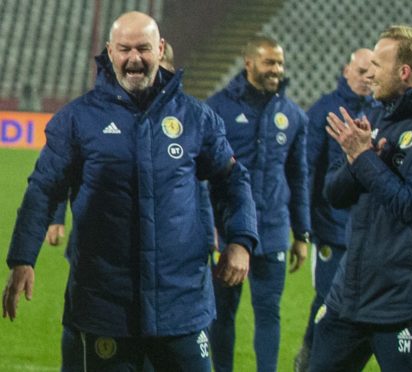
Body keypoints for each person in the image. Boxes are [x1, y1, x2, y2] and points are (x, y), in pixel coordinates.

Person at [2, 11, 259, 372]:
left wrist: (241, 240)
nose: (134, 59)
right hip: (105, 305)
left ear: (161, 49)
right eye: (124, 49)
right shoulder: (78, 119)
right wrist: (22, 259)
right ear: (109, 51)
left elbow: (233, 178)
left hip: (181, 302)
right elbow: (43, 189)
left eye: (143, 48)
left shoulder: (195, 118)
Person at [309, 25, 412, 371]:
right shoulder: (381, 115)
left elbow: (409, 204)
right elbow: (334, 195)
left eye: (377, 66)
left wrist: (365, 158)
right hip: (350, 298)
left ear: (404, 72)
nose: (369, 73)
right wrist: (359, 158)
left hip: (405, 304)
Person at [206, 34, 311, 372]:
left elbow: (298, 177)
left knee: (269, 313)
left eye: (279, 63)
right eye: (269, 62)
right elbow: (203, 176)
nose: (276, 70)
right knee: (221, 315)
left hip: (274, 230)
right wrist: (209, 226)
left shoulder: (293, 115)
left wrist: (302, 233)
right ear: (248, 62)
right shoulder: (217, 108)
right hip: (229, 232)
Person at [293, 48, 380, 372]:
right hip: (330, 225)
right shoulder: (324, 110)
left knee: (359, 299)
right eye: (361, 73)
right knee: (329, 296)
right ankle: (310, 353)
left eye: (372, 74)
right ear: (346, 70)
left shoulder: (378, 110)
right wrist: (305, 222)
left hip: (365, 228)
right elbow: (307, 169)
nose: (367, 79)